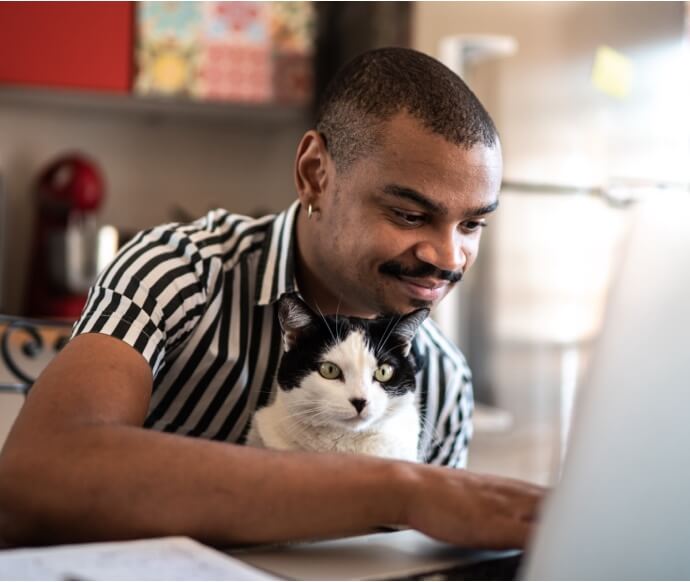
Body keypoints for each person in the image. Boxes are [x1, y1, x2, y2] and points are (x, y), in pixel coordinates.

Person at [0, 47, 544, 549]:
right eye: (409, 214)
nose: (449, 258)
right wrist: (399, 488)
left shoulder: (445, 381)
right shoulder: (180, 271)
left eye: (472, 224)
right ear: (315, 175)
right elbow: (37, 474)